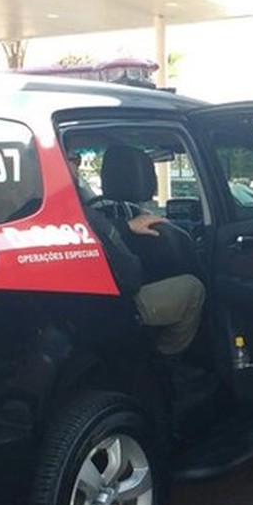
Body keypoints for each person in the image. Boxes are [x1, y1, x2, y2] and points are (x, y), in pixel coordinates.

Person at [67, 148, 205, 355]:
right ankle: (168, 358)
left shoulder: (83, 211)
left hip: (85, 307)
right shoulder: (88, 218)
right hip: (114, 305)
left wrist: (124, 227)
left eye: (77, 158)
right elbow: (130, 276)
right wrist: (125, 227)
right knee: (194, 288)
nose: (77, 165)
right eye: (73, 158)